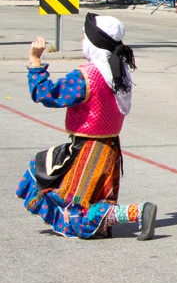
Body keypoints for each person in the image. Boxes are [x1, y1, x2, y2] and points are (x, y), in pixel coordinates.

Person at [16, 15, 157, 240]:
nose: (82, 40)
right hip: (110, 148)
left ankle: (137, 211)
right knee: (78, 192)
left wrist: (35, 62)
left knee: (77, 211)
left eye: (84, 36)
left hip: (88, 151)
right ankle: (123, 215)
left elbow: (46, 94)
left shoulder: (87, 76)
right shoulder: (119, 72)